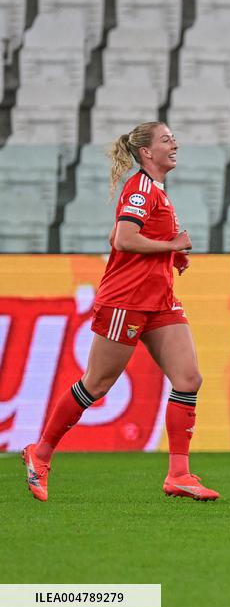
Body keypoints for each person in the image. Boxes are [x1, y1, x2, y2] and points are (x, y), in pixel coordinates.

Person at [21, 121, 218, 502]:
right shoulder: (141, 187)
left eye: (173, 137)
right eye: (166, 139)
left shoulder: (157, 190)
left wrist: (172, 253)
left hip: (159, 300)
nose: (174, 143)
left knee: (189, 378)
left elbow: (127, 237)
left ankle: (179, 474)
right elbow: (124, 239)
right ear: (146, 152)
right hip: (126, 301)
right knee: (96, 384)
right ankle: (40, 452)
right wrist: (171, 245)